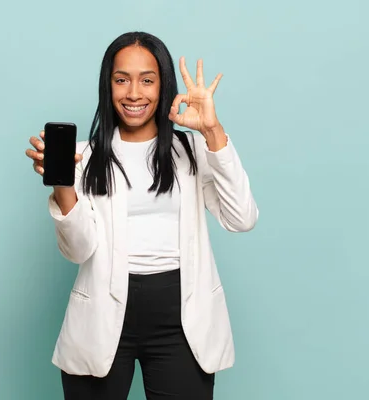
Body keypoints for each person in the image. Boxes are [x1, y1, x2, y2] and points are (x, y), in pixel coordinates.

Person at [25, 31, 259, 400]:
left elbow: (242, 217)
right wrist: (63, 185)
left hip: (182, 320)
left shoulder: (193, 148)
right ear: (108, 86)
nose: (134, 93)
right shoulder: (83, 158)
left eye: (147, 80)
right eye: (122, 80)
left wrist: (213, 130)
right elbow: (78, 250)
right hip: (103, 314)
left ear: (163, 85)